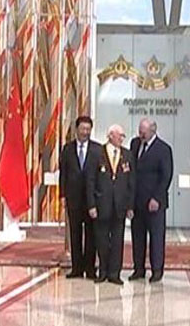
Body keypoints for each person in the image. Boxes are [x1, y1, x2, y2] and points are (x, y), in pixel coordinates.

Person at [86, 124, 135, 286]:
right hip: (101, 205)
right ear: (111, 135)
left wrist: (130, 206)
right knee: (101, 240)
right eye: (120, 135)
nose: (122, 138)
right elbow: (90, 181)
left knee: (117, 241)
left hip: (120, 206)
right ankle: (103, 272)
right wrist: (91, 205)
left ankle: (115, 273)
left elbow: (131, 182)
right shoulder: (97, 153)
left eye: (123, 136)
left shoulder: (127, 155)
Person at [128, 118, 173, 283]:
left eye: (144, 132)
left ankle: (157, 270)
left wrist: (157, 198)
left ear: (153, 130)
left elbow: (166, 176)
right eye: (140, 131)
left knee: (156, 238)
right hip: (137, 201)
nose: (141, 134)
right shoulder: (135, 144)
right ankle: (138, 269)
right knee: (138, 237)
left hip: (154, 203)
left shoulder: (163, 149)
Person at [59, 116, 101, 279]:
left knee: (91, 236)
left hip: (91, 200)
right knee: (75, 234)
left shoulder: (97, 150)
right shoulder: (67, 149)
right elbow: (63, 174)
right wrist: (63, 195)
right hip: (74, 199)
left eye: (88, 129)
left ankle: (90, 268)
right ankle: (77, 268)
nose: (85, 132)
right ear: (76, 129)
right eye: (83, 129)